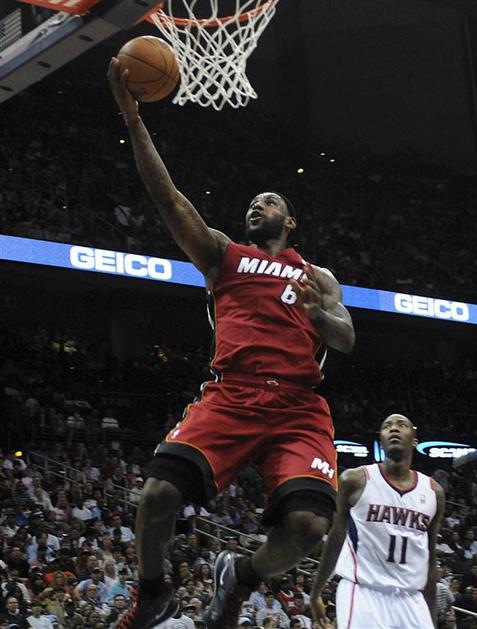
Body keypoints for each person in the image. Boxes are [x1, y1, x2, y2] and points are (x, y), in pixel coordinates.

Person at [107, 58, 355, 629]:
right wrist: (133, 119)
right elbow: (169, 199)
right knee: (157, 494)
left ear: (290, 222)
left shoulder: (318, 277)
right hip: (233, 393)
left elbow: (345, 339)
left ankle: (239, 577)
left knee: (310, 528)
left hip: (298, 406)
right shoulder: (224, 255)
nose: (256, 206)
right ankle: (153, 595)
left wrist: (319, 315)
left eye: (269, 202)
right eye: (253, 202)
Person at [309, 414, 445, 628]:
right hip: (362, 591)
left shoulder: (433, 492)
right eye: (387, 426)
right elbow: (335, 539)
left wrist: (431, 619)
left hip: (411, 598)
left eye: (402, 425)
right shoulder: (355, 480)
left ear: (414, 441)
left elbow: (430, 560)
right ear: (381, 441)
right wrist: (316, 592)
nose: (394, 429)